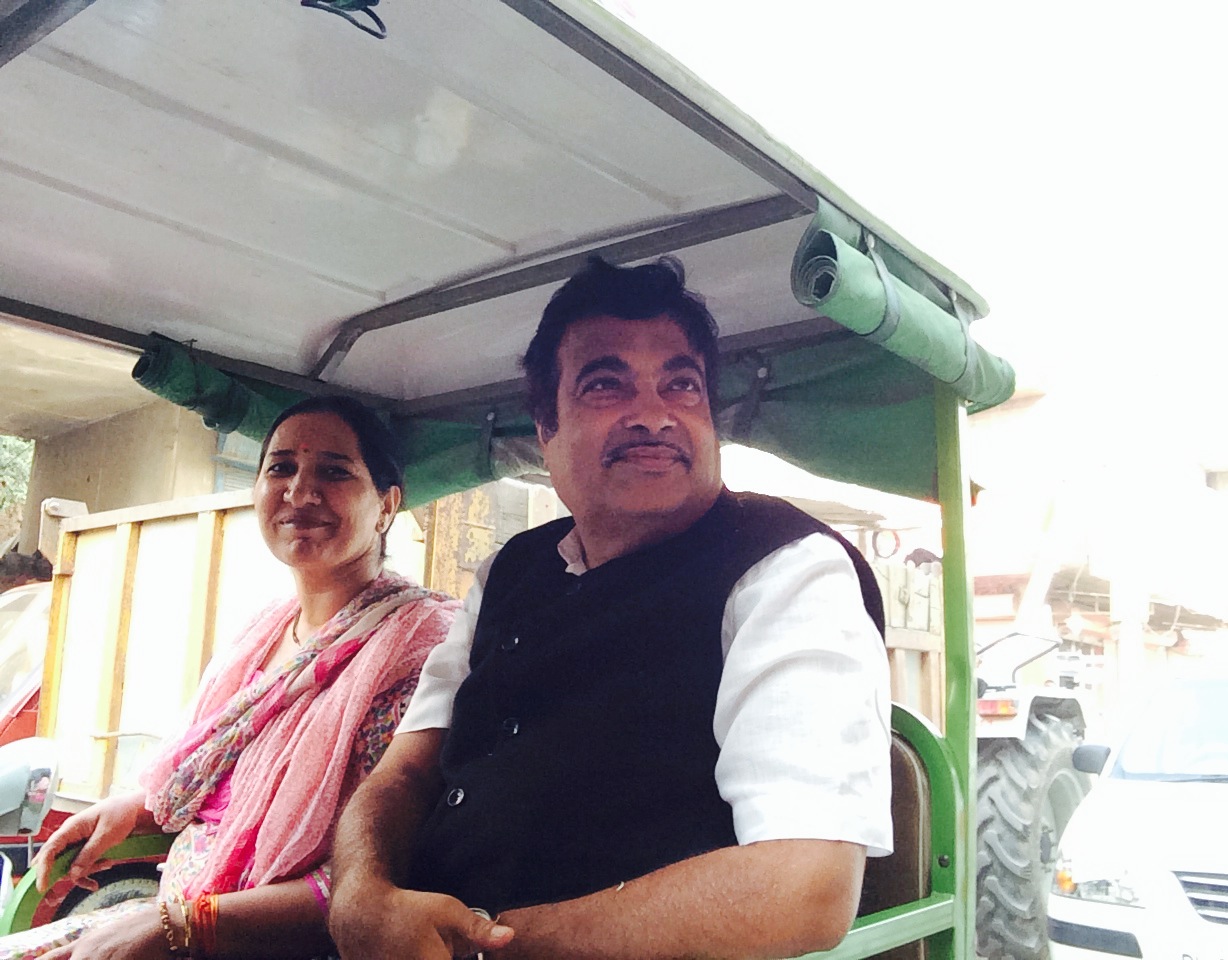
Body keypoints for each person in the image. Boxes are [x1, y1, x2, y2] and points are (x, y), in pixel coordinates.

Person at [329, 256, 892, 960]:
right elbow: (405, 772)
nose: (655, 415)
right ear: (547, 430)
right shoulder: (508, 571)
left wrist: (480, 949)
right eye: (605, 384)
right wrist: (358, 895)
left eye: (682, 385)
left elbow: (803, 886)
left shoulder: (785, 568)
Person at [0, 396, 458, 960]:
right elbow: (213, 782)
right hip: (174, 913)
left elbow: (368, 876)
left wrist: (184, 927)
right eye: (281, 468)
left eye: (335, 472)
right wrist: (134, 810)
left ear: (386, 506)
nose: (300, 492)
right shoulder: (263, 633)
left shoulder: (412, 651)